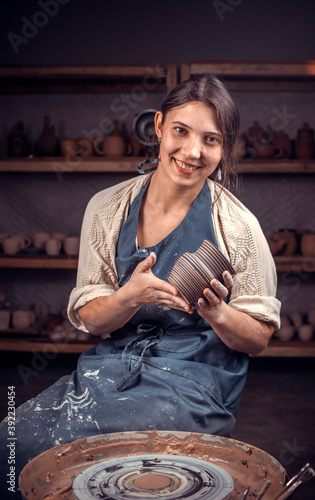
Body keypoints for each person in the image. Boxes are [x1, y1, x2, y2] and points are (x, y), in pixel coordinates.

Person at [0, 74, 280, 498]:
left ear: (224, 148)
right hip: (112, 370)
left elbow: (258, 338)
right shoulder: (108, 208)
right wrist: (127, 297)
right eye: (181, 132)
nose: (192, 151)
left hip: (195, 383)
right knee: (12, 440)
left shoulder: (238, 226)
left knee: (117, 462)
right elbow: (92, 322)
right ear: (159, 126)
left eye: (211, 140)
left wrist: (218, 313)